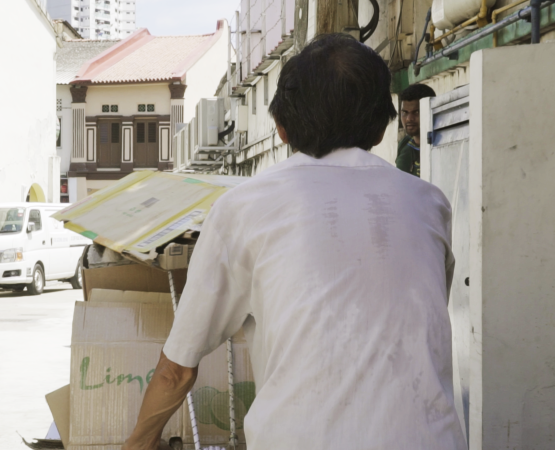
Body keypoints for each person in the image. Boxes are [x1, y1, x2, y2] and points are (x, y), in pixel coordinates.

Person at [122, 34, 466, 450]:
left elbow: (176, 371)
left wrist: (137, 445)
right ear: (381, 128)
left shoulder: (242, 208)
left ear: (282, 130)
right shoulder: (430, 204)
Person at [396, 83, 436, 176]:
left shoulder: (440, 144)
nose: (409, 118)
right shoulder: (404, 145)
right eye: (405, 112)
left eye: (416, 112)